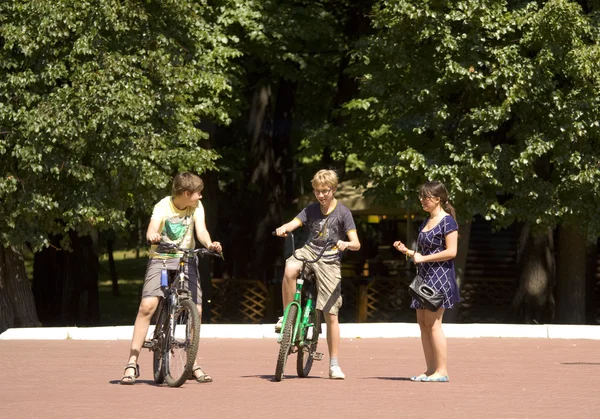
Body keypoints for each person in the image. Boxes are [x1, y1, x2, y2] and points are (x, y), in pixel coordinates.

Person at [120, 172, 222, 385]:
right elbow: (152, 227)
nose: (200, 197)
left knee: (197, 309)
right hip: (163, 259)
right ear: (186, 193)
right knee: (148, 306)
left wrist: (209, 244)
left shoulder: (196, 207)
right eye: (197, 193)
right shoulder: (163, 207)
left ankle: (191, 362)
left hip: (186, 259)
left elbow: (201, 230)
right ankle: (132, 362)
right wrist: (152, 236)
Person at [274, 169, 360, 379]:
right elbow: (294, 223)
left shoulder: (343, 213)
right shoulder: (311, 209)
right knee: (290, 268)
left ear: (334, 189)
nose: (321, 195)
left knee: (331, 314)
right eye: (317, 191)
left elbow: (357, 244)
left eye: (325, 191)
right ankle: (288, 318)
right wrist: (284, 228)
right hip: (310, 251)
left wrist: (346, 244)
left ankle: (334, 364)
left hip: (330, 259)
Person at [393, 180, 459, 383]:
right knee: (422, 323)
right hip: (424, 277)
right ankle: (431, 370)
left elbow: (451, 252)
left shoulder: (448, 222)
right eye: (420, 196)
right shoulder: (426, 221)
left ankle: (442, 371)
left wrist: (423, 258)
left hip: (439, 277)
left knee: (434, 324)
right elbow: (422, 254)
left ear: (437, 199)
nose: (422, 200)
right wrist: (408, 251)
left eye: (426, 197)